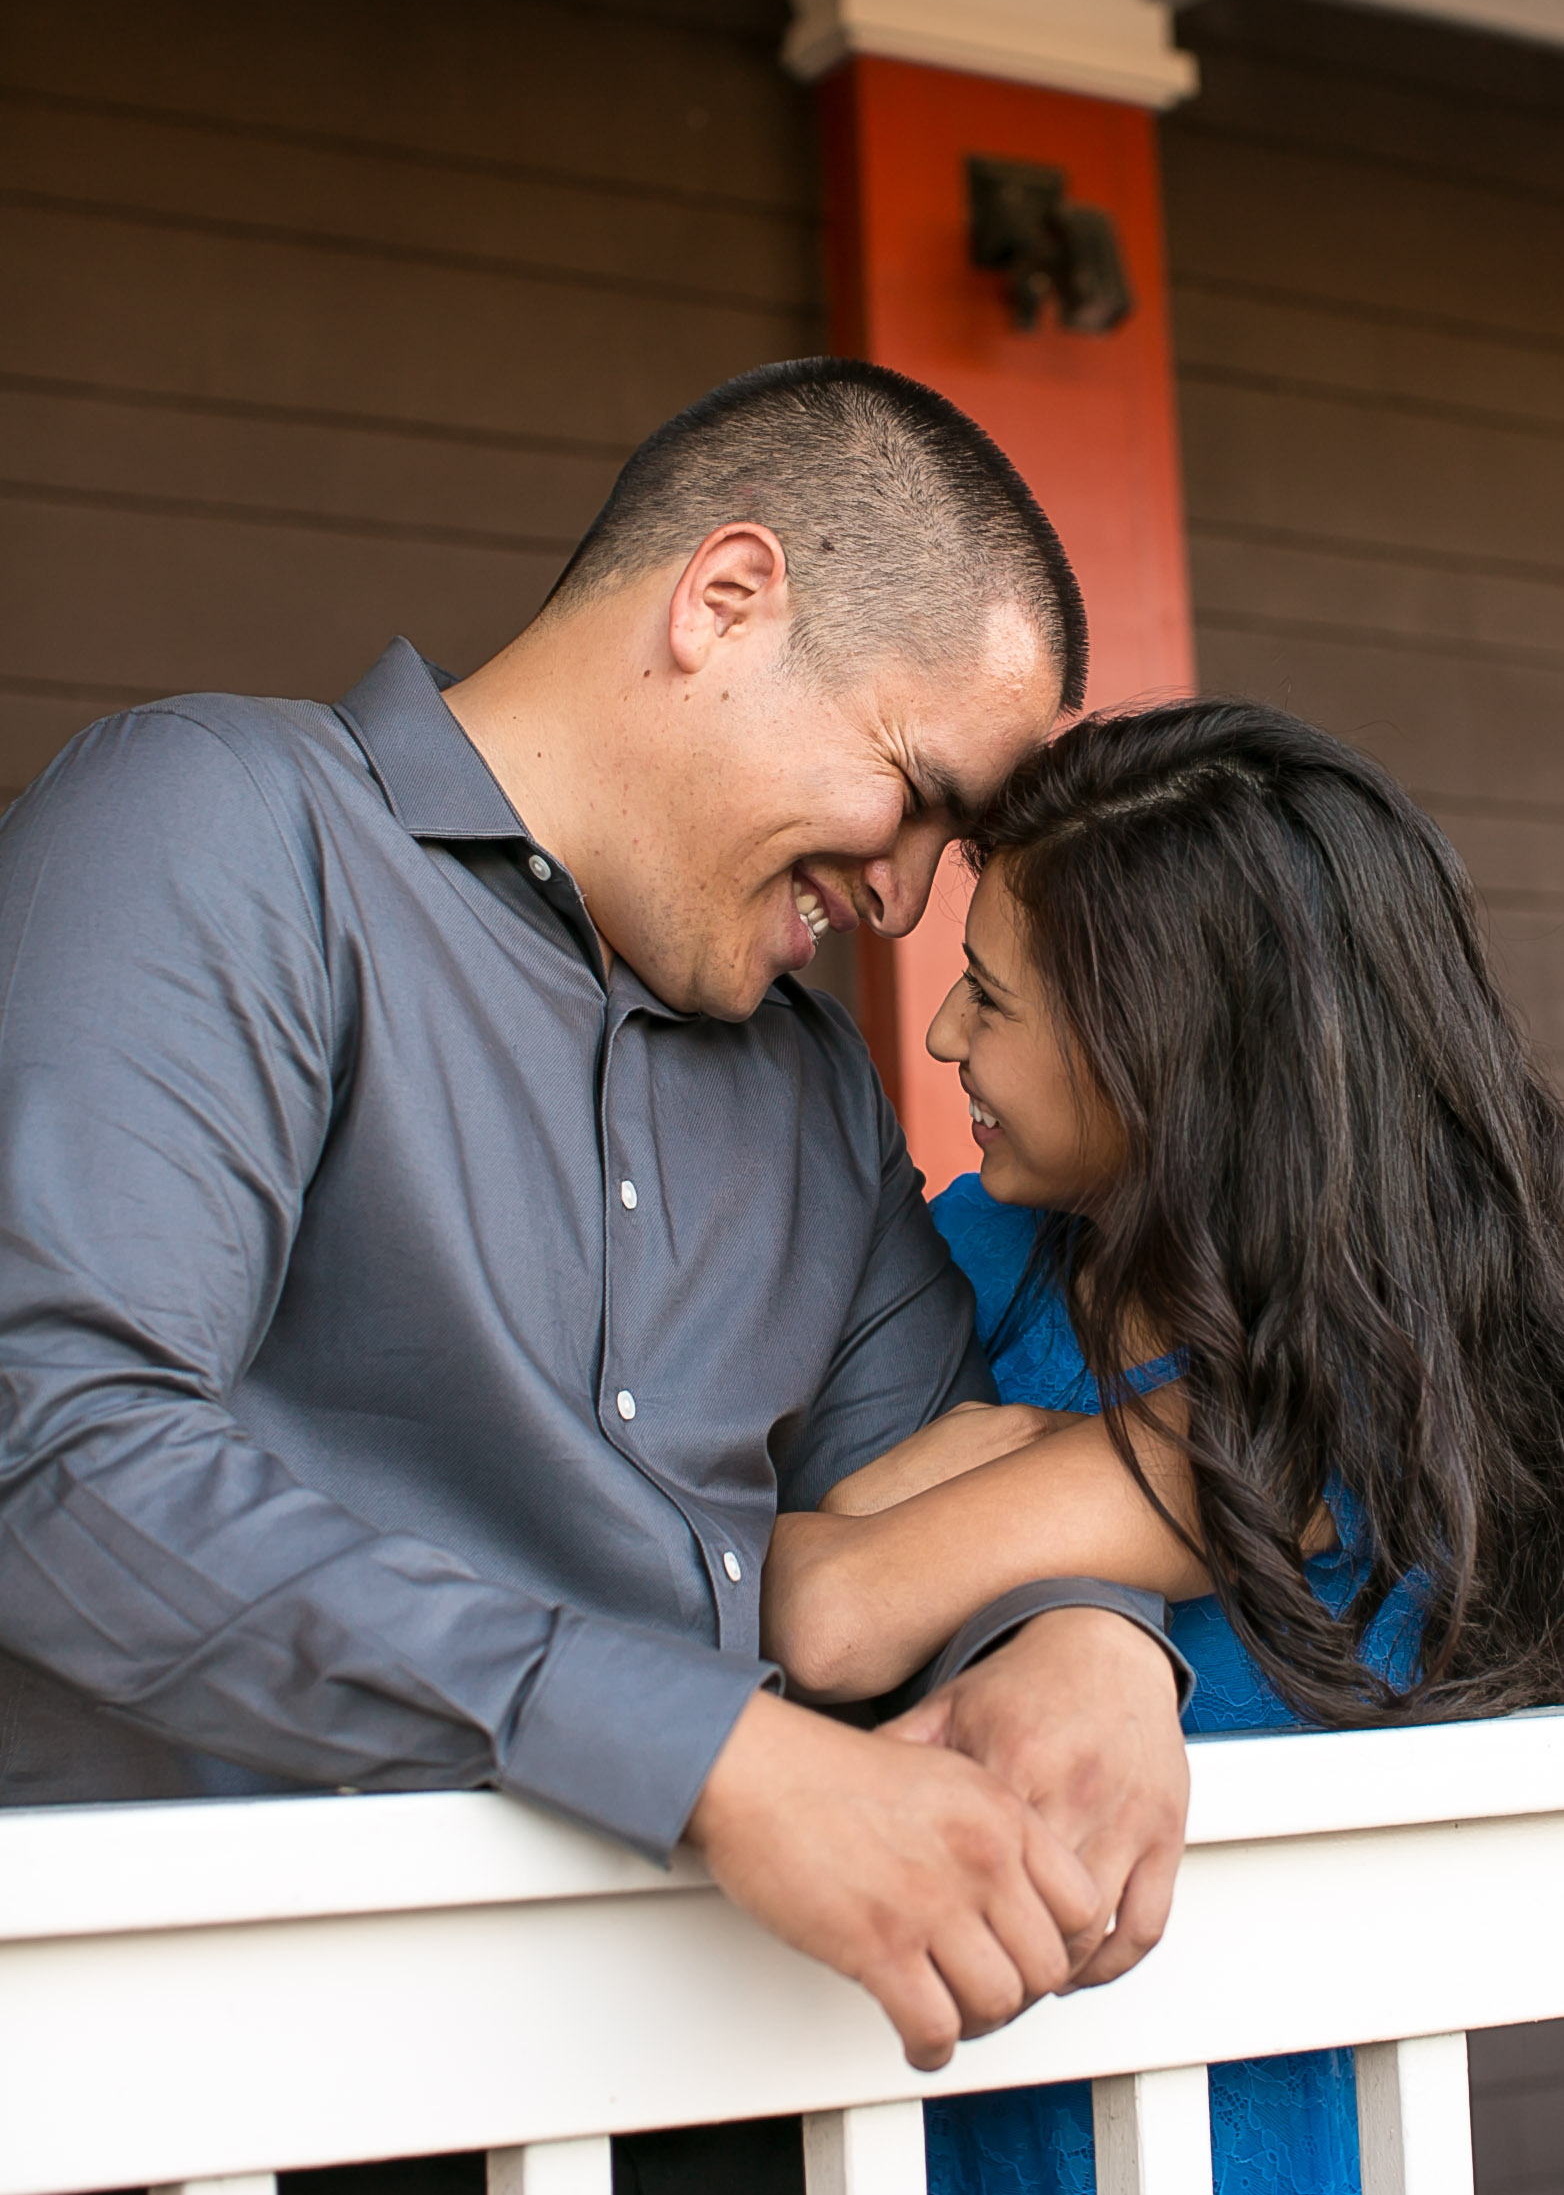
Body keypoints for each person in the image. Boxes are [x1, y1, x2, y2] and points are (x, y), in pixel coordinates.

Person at [0, 360, 1192, 2187]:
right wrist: (712, 1756)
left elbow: (931, 1478)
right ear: (727, 604)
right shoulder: (233, 825)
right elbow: (51, 1442)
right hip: (242, 2097)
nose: (905, 903)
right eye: (916, 796)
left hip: (726, 2100)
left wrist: (1087, 1640)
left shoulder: (813, 1095)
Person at [761, 698, 1564, 2194]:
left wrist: (956, 1492)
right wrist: (1027, 1513)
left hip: (1222, 2138)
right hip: (920, 2105)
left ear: (1163, 1050)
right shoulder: (994, 1246)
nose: (937, 1033)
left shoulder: (1366, 1389)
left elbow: (833, 1600)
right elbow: (796, 1579)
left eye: (989, 999)